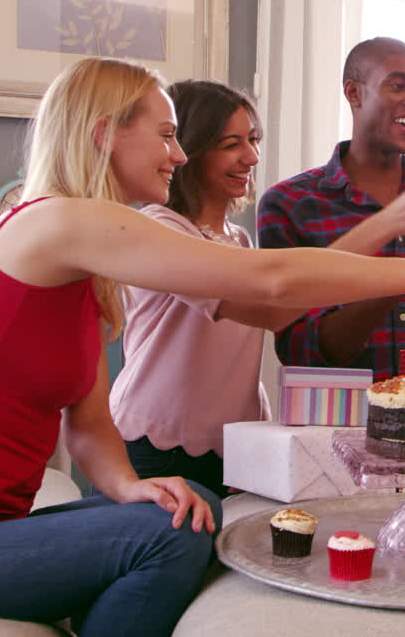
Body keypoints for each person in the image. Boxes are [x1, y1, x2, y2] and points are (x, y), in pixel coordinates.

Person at [0, 57, 405, 637]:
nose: (177, 153)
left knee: (185, 505)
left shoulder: (79, 273)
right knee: (169, 536)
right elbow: (270, 281)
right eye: (165, 135)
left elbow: (88, 423)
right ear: (104, 132)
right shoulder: (56, 221)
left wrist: (128, 486)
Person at [110, 79, 298, 498]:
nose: (251, 156)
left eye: (253, 140)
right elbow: (274, 308)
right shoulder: (161, 229)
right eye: (231, 144)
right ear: (190, 150)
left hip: (232, 444)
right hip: (159, 446)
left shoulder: (239, 240)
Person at [258, 36, 405, 381]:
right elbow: (300, 352)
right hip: (336, 430)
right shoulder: (290, 205)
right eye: (398, 86)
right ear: (354, 93)